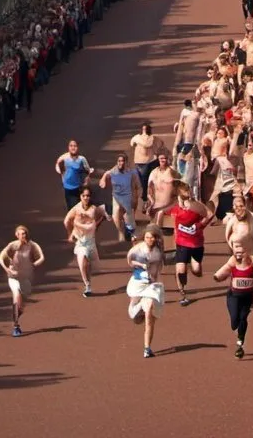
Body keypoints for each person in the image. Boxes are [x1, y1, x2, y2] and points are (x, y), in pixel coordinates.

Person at [154, 180, 213, 306]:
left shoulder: (196, 206)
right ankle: (183, 294)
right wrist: (158, 230)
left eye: (188, 191)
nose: (188, 193)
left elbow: (210, 214)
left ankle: (196, 268)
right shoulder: (174, 208)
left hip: (196, 243)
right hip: (181, 243)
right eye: (185, 191)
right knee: (180, 270)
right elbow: (161, 213)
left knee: (196, 270)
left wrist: (200, 226)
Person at [213, 240, 253, 358]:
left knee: (243, 318)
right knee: (234, 322)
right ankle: (237, 331)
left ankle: (240, 343)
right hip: (233, 295)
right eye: (236, 251)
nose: (238, 253)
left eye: (241, 251)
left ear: (246, 251)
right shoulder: (233, 260)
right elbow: (224, 270)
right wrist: (217, 276)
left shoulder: (252, 260)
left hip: (248, 296)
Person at [0, 225, 45, 337]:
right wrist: (8, 269)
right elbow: (0, 258)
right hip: (13, 277)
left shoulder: (32, 245)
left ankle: (18, 314)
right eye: (19, 234)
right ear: (16, 235)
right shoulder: (12, 246)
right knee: (16, 296)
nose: (22, 236)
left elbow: (41, 257)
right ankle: (16, 326)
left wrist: (34, 264)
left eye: (24, 233)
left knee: (21, 305)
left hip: (26, 278)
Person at [126, 226, 165, 359]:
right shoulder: (138, 249)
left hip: (152, 285)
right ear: (144, 237)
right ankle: (139, 306)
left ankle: (147, 348)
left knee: (150, 314)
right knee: (134, 315)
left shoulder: (158, 252)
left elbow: (159, 268)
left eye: (152, 237)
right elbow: (129, 261)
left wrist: (155, 280)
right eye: (147, 237)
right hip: (138, 284)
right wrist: (140, 265)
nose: (150, 240)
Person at [63, 186, 108, 297]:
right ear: (80, 197)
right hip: (80, 241)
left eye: (88, 196)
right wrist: (70, 234)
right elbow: (66, 221)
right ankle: (87, 285)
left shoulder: (94, 209)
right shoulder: (76, 209)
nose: (86, 198)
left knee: (90, 264)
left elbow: (101, 217)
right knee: (83, 259)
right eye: (84, 196)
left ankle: (88, 280)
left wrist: (96, 226)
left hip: (91, 241)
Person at [99, 154, 141, 244]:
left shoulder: (132, 172)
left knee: (129, 217)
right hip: (117, 196)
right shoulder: (113, 171)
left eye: (123, 161)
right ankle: (120, 231)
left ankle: (131, 232)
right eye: (119, 161)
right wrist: (103, 179)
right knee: (116, 214)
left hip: (128, 197)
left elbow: (138, 186)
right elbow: (106, 174)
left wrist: (136, 197)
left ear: (126, 162)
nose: (121, 163)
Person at [55, 139, 94, 210]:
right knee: (70, 210)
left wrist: (87, 179)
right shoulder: (63, 158)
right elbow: (57, 166)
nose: (73, 147)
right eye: (71, 146)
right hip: (67, 188)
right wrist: (62, 172)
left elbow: (88, 169)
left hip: (78, 188)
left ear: (78, 147)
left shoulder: (82, 159)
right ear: (68, 147)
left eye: (75, 146)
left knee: (79, 209)